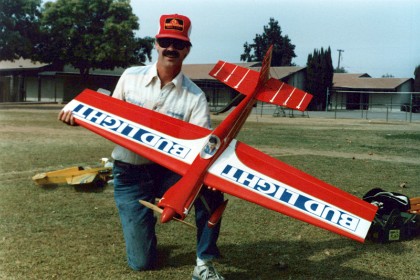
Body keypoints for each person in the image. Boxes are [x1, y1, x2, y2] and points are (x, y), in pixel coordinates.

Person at [58, 14, 225, 280]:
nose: (171, 48)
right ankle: (144, 236)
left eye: (178, 44)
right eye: (166, 41)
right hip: (129, 173)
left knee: (211, 187)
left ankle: (204, 261)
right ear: (156, 44)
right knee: (141, 263)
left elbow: (201, 148)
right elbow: (111, 119)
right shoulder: (130, 77)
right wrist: (80, 118)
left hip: (166, 173)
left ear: (187, 49)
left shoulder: (195, 97)